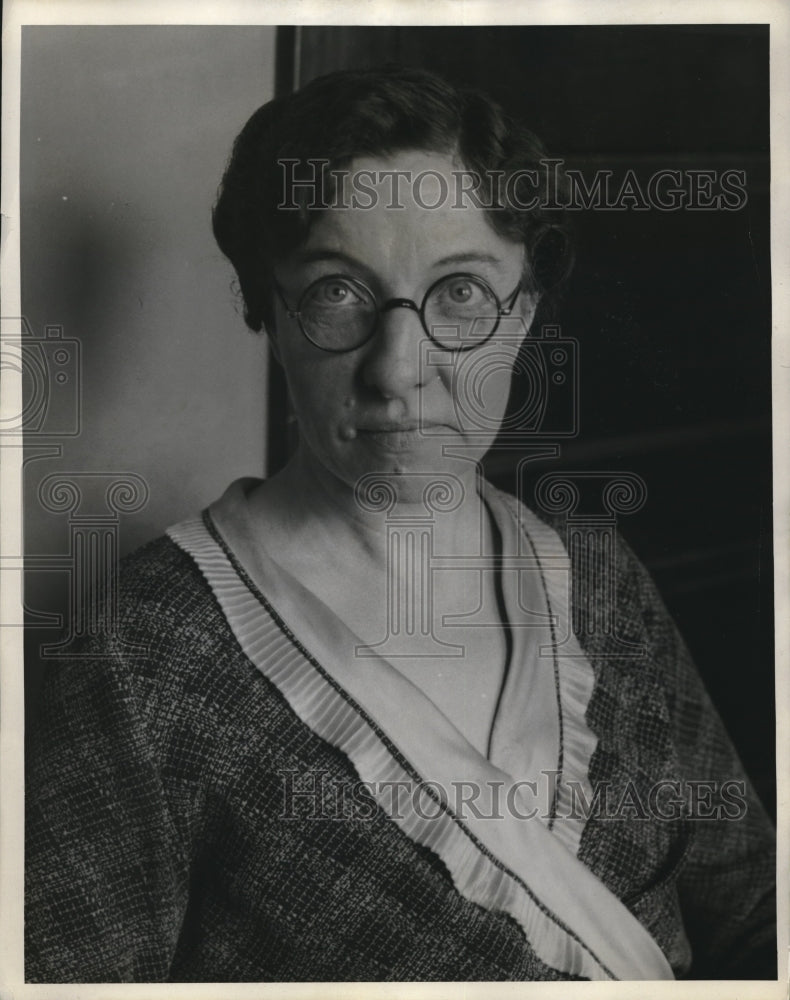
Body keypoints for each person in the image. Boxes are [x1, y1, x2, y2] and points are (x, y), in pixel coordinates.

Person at [25, 65, 775, 983]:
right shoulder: (143, 654)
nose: (398, 369)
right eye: (338, 291)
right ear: (270, 310)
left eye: (460, 292)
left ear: (523, 316)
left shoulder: (597, 575)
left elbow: (754, 907)